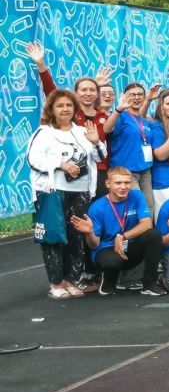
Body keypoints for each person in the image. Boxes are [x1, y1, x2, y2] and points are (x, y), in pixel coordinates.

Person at [29, 89, 102, 298]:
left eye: (69, 105)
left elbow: (99, 157)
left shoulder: (82, 131)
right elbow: (33, 160)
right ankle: (57, 283)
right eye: (60, 105)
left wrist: (96, 142)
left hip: (80, 192)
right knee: (54, 237)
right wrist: (60, 164)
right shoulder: (43, 133)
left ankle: (71, 279)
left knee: (76, 237)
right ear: (51, 109)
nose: (65, 109)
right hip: (52, 193)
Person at [71, 166, 165, 297]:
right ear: (108, 184)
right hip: (107, 250)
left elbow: (147, 224)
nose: (123, 187)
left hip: (130, 248)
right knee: (112, 261)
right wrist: (90, 232)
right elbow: (94, 245)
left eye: (127, 183)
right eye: (118, 183)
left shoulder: (137, 196)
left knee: (154, 235)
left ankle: (150, 284)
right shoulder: (97, 207)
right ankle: (108, 281)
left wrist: (123, 236)